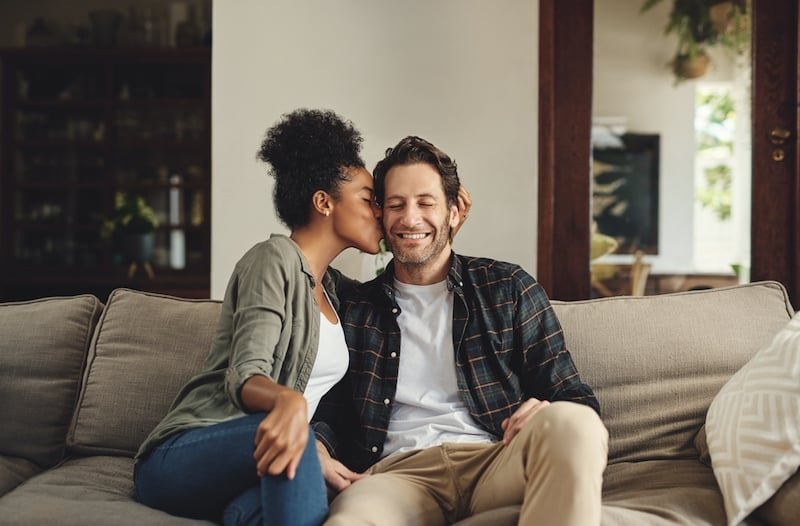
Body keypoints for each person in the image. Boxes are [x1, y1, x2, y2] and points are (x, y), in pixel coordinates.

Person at [315, 136, 609, 526]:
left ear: (454, 212)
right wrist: (314, 448)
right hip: (397, 476)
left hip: (495, 461)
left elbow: (576, 397)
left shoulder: (506, 287)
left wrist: (551, 409)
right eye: (396, 205)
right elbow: (329, 413)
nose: (410, 218)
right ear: (381, 216)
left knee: (577, 423)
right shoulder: (354, 309)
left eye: (426, 203)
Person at [134, 109, 381, 526]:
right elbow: (245, 376)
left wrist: (444, 222)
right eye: (367, 198)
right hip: (183, 455)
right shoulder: (273, 260)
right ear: (323, 202)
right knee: (297, 433)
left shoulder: (332, 289)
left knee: (297, 497)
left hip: (258, 464)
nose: (378, 210)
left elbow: (401, 286)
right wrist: (288, 404)